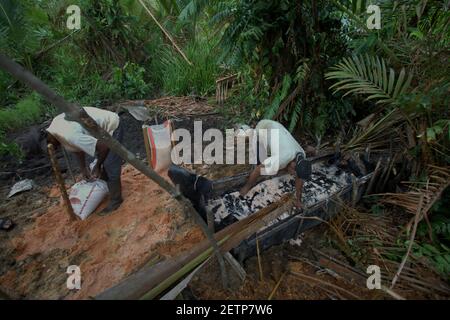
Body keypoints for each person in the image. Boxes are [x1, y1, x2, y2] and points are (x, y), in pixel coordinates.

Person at [46, 107, 124, 215]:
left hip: (111, 126)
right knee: (103, 162)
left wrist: (98, 165)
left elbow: (104, 147)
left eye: (53, 147)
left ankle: (116, 200)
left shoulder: (70, 136)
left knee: (110, 165)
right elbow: (77, 148)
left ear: (50, 140)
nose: (55, 149)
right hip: (97, 131)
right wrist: (83, 168)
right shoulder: (54, 128)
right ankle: (107, 188)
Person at [239, 119, 312, 209]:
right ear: (293, 164)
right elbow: (258, 169)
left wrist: (298, 200)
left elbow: (299, 178)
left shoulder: (302, 155)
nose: (293, 174)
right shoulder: (282, 158)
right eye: (294, 172)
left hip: (278, 129)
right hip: (265, 127)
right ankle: (243, 127)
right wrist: (247, 186)